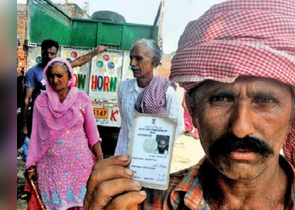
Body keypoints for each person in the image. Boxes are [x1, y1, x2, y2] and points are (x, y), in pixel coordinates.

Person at [83, 0, 295, 210]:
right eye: (221, 98)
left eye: (265, 101)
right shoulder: (145, 204)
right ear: (191, 108)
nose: (240, 128)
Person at [25, 58, 103, 210]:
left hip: (80, 169)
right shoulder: (41, 101)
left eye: (59, 76)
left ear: (69, 77)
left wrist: (99, 158)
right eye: (51, 76)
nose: (55, 80)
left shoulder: (82, 99)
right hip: (51, 169)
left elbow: (93, 134)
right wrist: (31, 165)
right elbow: (36, 136)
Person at [21, 39, 107, 136]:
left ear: (56, 54)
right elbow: (26, 100)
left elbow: (80, 61)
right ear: (41, 52)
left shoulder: (61, 68)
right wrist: (24, 125)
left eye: (52, 54)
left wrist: (96, 51)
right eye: (46, 53)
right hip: (39, 121)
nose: (49, 56)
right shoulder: (33, 72)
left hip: (57, 122)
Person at [114, 38, 183, 156]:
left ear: (154, 61)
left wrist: (155, 152)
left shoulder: (167, 92)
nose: (132, 63)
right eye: (131, 58)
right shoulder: (123, 88)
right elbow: (125, 121)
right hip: (123, 153)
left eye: (138, 58)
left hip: (151, 158)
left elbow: (176, 127)